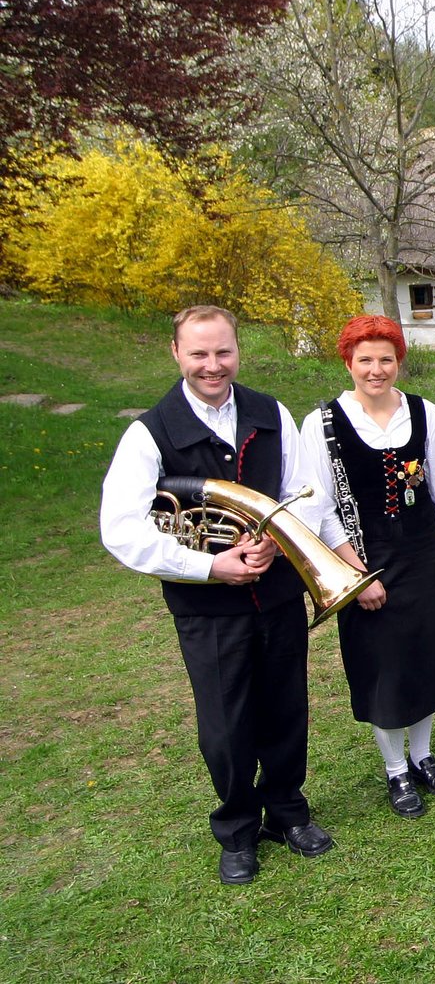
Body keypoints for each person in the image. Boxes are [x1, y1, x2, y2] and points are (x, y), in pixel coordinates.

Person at [100, 305, 332, 885]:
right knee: (225, 726)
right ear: (176, 353)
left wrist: (276, 541)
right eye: (199, 353)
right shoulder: (149, 432)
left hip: (277, 593)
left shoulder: (270, 412)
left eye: (223, 351)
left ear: (237, 351)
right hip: (207, 609)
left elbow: (306, 491)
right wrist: (208, 565)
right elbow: (121, 529)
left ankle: (288, 812)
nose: (212, 365)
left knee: (286, 710)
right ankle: (237, 828)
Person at [299, 315, 435, 819]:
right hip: (362, 558)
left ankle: (422, 757)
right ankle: (396, 769)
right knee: (384, 670)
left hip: (423, 553)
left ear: (399, 361)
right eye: (365, 360)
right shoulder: (322, 423)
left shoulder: (426, 413)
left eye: (386, 359)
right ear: (348, 362)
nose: (375, 369)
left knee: (424, 659)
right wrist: (356, 575)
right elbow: (321, 508)